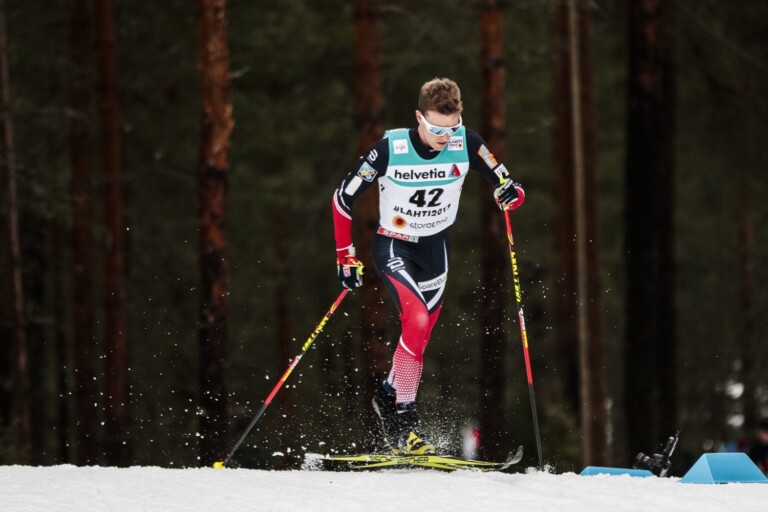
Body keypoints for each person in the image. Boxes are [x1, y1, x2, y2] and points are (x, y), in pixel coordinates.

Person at [331, 78, 524, 455]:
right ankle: (405, 424)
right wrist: (345, 255)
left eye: (451, 128)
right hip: (394, 245)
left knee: (418, 337)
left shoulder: (468, 143)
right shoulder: (390, 150)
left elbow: (510, 187)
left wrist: (510, 193)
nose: (444, 137)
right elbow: (342, 199)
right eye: (436, 130)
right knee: (416, 322)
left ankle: (388, 394)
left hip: (436, 250)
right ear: (419, 117)